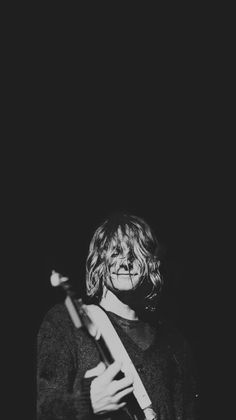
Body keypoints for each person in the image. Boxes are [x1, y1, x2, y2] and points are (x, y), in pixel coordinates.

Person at [37, 213, 200, 419]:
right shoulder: (66, 322)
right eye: (115, 253)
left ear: (150, 263)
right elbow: (43, 411)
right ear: (99, 261)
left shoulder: (175, 342)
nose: (125, 263)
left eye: (134, 254)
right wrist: (86, 403)